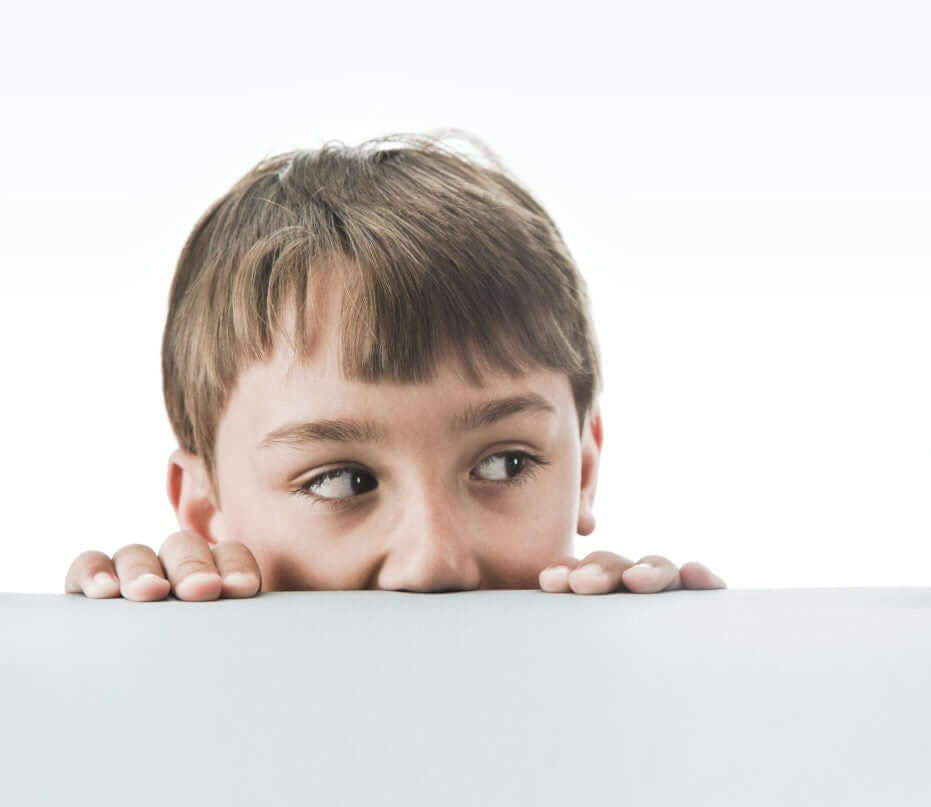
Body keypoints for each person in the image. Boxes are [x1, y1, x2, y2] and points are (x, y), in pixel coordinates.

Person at [63, 130, 725, 601]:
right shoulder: (170, 668)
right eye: (343, 481)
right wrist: (147, 646)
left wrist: (657, 673)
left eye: (506, 464)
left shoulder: (631, 654)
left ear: (585, 468)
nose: (432, 563)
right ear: (207, 511)